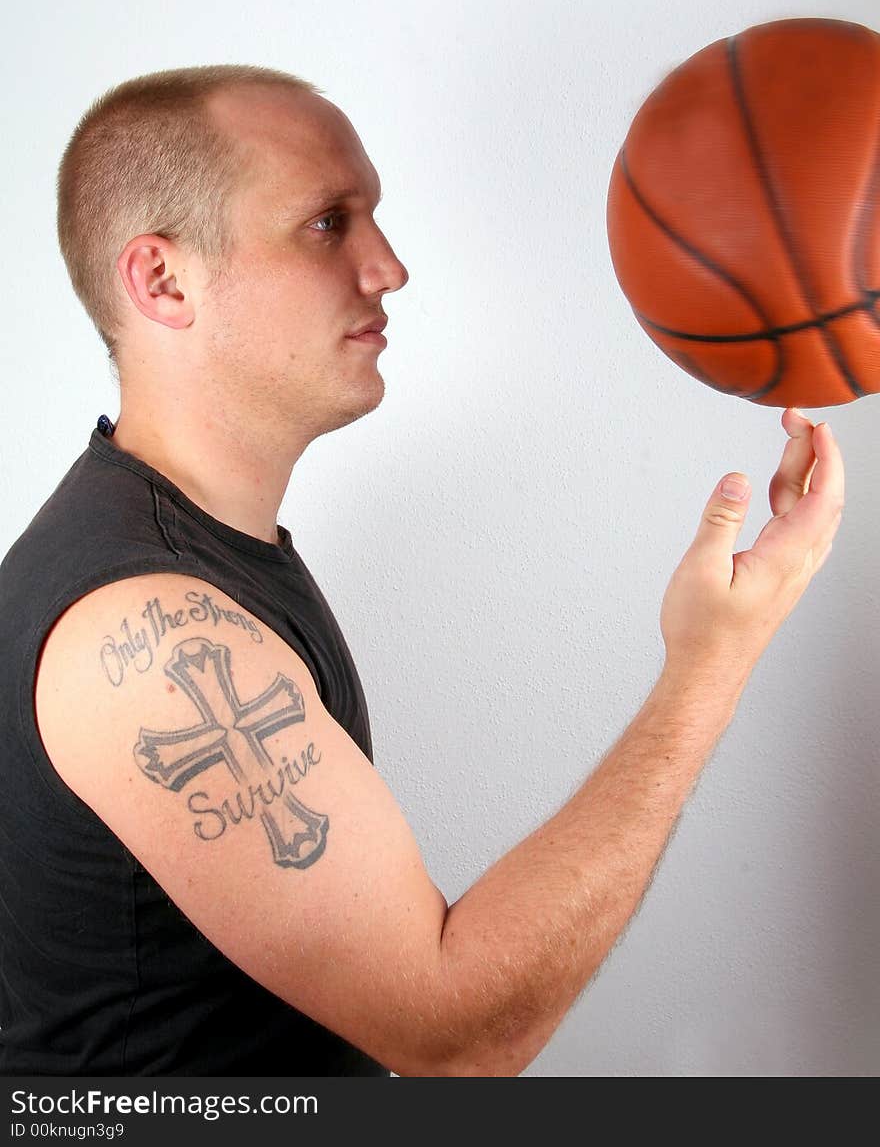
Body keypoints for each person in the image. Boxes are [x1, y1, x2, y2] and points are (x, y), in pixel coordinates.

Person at [0, 66, 845, 1077]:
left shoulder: (203, 552)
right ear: (163, 281)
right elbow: (458, 1032)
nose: (388, 267)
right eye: (327, 223)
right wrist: (714, 657)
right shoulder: (143, 639)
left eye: (375, 219)